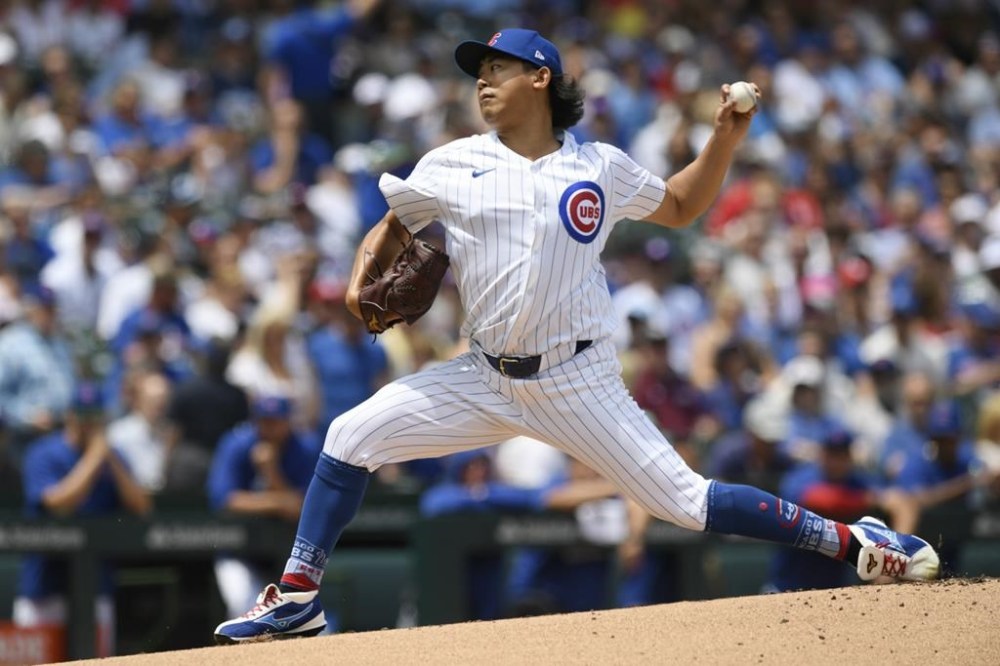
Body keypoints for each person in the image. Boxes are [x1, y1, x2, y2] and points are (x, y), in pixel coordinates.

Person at [214, 28, 940, 643]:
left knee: (685, 503)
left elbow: (680, 205)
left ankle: (855, 541)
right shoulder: (452, 161)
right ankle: (299, 596)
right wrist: (357, 280)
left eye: (498, 68)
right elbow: (395, 219)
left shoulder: (598, 167)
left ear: (541, 78)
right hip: (482, 376)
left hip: (577, 380)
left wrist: (724, 137)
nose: (483, 82)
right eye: (478, 72)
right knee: (349, 436)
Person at [14, 382, 151, 657]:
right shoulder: (44, 452)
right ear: (70, 415)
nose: (88, 423)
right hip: (45, 585)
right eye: (83, 415)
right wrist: (94, 458)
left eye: (95, 416)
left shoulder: (113, 456)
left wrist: (109, 458)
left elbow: (141, 507)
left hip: (96, 586)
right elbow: (58, 504)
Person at [206, 395, 322, 620]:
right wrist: (279, 503)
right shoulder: (236, 444)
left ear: (288, 422)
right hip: (239, 550)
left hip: (289, 553)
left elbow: (305, 508)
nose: (270, 428)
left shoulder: (305, 447)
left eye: (276, 422)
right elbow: (225, 500)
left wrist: (271, 472)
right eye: (264, 421)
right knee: (242, 603)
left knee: (304, 616)